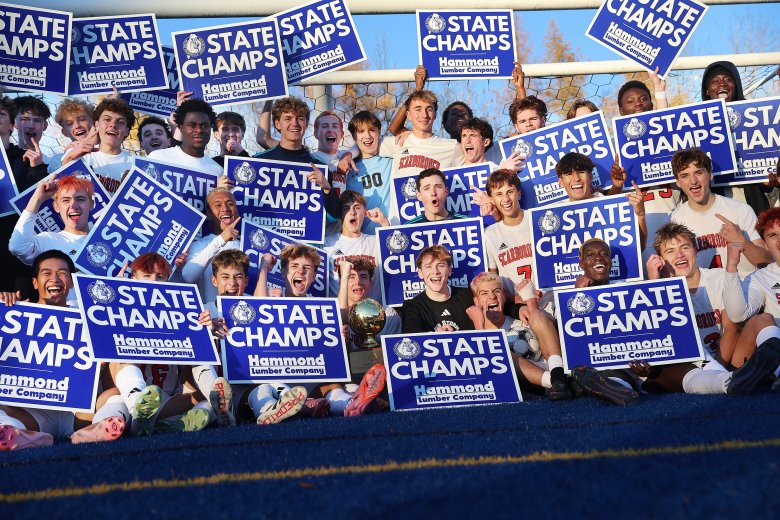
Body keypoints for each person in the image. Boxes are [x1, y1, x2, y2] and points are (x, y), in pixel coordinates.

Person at [0, 251, 128, 450]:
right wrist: (4, 310)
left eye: (62, 273)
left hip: (79, 414)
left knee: (118, 394)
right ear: (35, 282)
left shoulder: (90, 317)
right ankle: (14, 432)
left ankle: (100, 428)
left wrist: (100, 363)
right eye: (47, 273)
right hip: (32, 414)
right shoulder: (15, 314)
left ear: (71, 281)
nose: (55, 279)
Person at [254, 245, 386, 419]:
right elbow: (258, 308)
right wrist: (264, 268)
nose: (301, 271)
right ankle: (283, 409)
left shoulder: (320, 306)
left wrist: (345, 276)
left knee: (334, 387)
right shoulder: (271, 301)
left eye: (307, 268)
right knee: (264, 388)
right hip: (280, 382)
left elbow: (340, 319)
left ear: (314, 276)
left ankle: (351, 405)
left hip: (315, 381)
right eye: (294, 266)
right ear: (283, 271)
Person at [109, 253, 215, 436]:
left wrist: (205, 330)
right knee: (116, 382)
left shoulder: (180, 312)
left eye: (160, 277)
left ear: (168, 280)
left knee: (209, 399)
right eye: (147, 276)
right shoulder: (115, 310)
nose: (153, 281)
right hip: (122, 397)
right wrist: (112, 300)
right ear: (132, 278)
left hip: (166, 399)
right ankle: (138, 411)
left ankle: (172, 424)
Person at [466, 272, 573, 401]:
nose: (492, 296)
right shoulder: (476, 332)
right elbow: (485, 365)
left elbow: (547, 325)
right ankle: (560, 384)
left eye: (497, 291)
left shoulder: (522, 317)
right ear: (476, 301)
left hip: (553, 370)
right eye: (484, 293)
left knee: (537, 315)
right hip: (532, 388)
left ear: (504, 296)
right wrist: (479, 324)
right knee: (500, 354)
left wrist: (530, 300)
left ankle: (558, 377)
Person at [669, 148, 770, 277]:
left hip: (746, 287)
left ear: (710, 174)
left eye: (699, 173)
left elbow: (767, 263)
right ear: (678, 182)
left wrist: (742, 241)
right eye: (685, 176)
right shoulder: (674, 221)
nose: (693, 181)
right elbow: (675, 274)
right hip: (704, 290)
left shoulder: (740, 210)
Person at [702, 60, 772, 216]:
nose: (722, 84)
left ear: (736, 85)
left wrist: (767, 181)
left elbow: (766, 180)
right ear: (707, 90)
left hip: (754, 209)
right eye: (715, 81)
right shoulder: (696, 123)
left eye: (728, 79)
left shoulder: (758, 119)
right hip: (714, 211)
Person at [0, 95, 49, 297]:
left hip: (13, 258)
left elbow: (40, 204)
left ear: (12, 125)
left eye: (1, 114)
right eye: (26, 118)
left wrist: (37, 170)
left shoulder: (27, 160)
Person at [556, 152, 648, 249]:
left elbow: (639, 248)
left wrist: (640, 216)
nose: (576, 178)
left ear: (590, 176)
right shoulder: (556, 213)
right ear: (561, 182)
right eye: (569, 174)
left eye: (581, 172)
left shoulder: (612, 208)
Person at [377, 90, 463, 178]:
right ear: (408, 115)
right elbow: (368, 147)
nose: (424, 115)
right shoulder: (396, 142)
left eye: (429, 109)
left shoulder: (452, 147)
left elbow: (470, 172)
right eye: (418, 109)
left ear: (435, 115)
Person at [9, 175, 94, 265]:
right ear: (56, 207)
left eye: (80, 199)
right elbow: (18, 247)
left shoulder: (103, 237)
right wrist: (37, 199)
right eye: (66, 200)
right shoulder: (49, 241)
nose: (73, 206)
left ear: (91, 204)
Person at [62, 97, 135, 193]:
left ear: (127, 131)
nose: (113, 125)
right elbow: (61, 187)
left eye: (120, 122)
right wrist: (70, 158)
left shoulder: (135, 165)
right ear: (96, 125)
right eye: (107, 119)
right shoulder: (80, 155)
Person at [324, 191, 387, 300]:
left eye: (357, 207)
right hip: (341, 309)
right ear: (340, 214)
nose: (352, 212)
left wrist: (384, 222)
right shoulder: (327, 245)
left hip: (372, 309)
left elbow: (395, 253)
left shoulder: (376, 241)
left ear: (365, 212)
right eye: (346, 208)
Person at [181, 187, 241, 303]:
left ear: (237, 211)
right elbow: (188, 277)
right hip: (211, 313)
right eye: (218, 205)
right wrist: (221, 240)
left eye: (230, 204)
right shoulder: (198, 246)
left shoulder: (248, 247)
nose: (225, 209)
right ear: (208, 214)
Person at [402, 245, 475, 333]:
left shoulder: (469, 295)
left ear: (449, 270)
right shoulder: (413, 307)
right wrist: (435, 337)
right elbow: (413, 338)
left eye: (440, 265)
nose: (435, 271)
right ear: (420, 273)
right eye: (428, 267)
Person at [344, 111, 394, 234]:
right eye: (361, 131)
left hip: (390, 231)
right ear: (354, 136)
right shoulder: (347, 169)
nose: (367, 136)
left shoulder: (391, 159)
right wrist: (347, 155)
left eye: (372, 130)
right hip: (361, 237)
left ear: (379, 133)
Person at [337, 258, 401, 351]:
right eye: (351, 277)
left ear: (371, 284)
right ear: (342, 283)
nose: (358, 282)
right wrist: (344, 277)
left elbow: (394, 352)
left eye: (363, 277)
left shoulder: (389, 315)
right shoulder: (331, 317)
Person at [149, 98, 222, 176]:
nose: (199, 130)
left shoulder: (218, 171)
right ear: (181, 128)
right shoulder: (157, 158)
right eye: (192, 125)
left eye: (204, 125)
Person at [49, 98, 95, 172]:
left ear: (94, 122)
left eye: (82, 119)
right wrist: (69, 157)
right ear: (64, 132)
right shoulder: (57, 160)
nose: (77, 126)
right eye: (69, 124)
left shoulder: (110, 150)